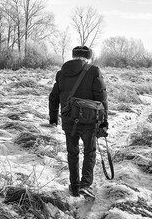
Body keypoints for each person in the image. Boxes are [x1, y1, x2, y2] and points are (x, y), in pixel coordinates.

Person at [49, 46, 108, 198]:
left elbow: (53, 97)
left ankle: (75, 187)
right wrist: (104, 122)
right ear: (88, 57)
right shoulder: (94, 71)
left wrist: (53, 118)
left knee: (72, 153)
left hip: (69, 120)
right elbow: (101, 99)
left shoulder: (61, 73)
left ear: (73, 56)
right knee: (90, 152)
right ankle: (86, 185)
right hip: (89, 121)